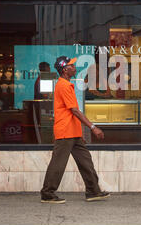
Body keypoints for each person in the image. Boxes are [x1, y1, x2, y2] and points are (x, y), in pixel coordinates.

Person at [40, 56, 110, 204]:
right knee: (58, 164)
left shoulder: (67, 85)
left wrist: (79, 132)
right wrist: (92, 127)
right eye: (72, 65)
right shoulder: (63, 86)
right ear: (65, 69)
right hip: (65, 131)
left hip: (73, 132)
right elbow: (75, 111)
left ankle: (93, 191)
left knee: (85, 161)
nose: (75, 67)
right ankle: (47, 193)